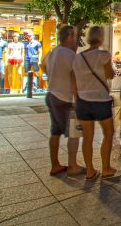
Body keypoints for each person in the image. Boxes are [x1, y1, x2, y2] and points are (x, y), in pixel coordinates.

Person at [72, 26, 121, 180]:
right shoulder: (103, 55)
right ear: (100, 39)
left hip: (82, 101)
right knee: (108, 133)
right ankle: (105, 168)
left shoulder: (77, 58)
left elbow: (73, 80)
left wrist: (76, 98)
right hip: (100, 100)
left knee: (87, 137)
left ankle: (90, 171)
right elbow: (109, 75)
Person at [42, 25, 85, 177]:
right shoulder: (70, 55)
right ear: (69, 37)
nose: (76, 39)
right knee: (74, 132)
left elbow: (43, 65)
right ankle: (73, 165)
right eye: (75, 36)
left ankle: (55, 165)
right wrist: (77, 99)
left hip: (52, 94)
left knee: (55, 132)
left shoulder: (52, 52)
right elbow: (74, 78)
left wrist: (53, 77)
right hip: (65, 98)